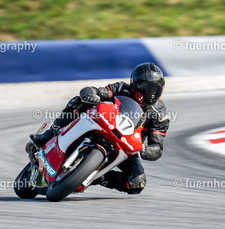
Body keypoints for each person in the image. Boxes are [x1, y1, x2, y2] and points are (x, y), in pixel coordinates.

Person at [30, 62, 169, 194]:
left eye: (155, 90)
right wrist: (90, 95)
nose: (151, 94)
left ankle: (95, 177)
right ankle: (50, 133)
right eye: (147, 88)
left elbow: (157, 148)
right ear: (135, 84)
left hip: (126, 146)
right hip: (104, 126)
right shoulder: (121, 88)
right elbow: (94, 91)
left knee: (138, 183)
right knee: (78, 101)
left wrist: (143, 150)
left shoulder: (160, 115)